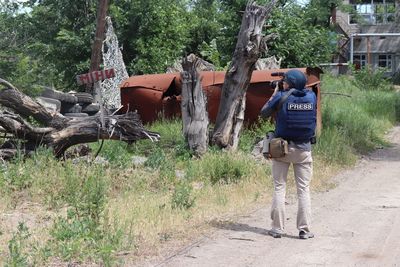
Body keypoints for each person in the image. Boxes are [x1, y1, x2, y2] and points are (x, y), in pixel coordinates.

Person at [260, 69, 317, 240]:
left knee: (279, 188)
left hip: (281, 149)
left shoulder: (281, 96)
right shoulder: (311, 97)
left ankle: (277, 229)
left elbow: (264, 112)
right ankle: (304, 230)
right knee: (303, 190)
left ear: (289, 83)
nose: (283, 83)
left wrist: (277, 92)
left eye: (285, 81)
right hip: (304, 150)